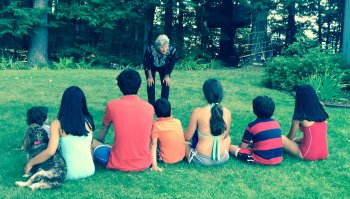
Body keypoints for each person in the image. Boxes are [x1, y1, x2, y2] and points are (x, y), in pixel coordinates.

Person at [24, 86, 96, 180]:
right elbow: (89, 147)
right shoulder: (89, 120)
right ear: (82, 102)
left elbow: (50, 151)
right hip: (89, 170)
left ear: (64, 103)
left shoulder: (57, 123)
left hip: (68, 173)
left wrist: (30, 163)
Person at [93, 69, 154, 172]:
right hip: (144, 162)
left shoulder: (112, 105)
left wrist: (100, 141)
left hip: (117, 163)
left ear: (120, 86)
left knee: (93, 143)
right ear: (139, 85)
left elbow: (104, 127)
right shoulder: (149, 107)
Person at [184, 79, 231, 166]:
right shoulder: (227, 112)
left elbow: (187, 137)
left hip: (200, 159)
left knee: (184, 144)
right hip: (222, 158)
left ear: (205, 95)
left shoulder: (197, 112)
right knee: (228, 139)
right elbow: (226, 136)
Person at [229, 96, 283, 165]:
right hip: (278, 158)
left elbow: (242, 147)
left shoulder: (252, 126)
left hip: (260, 159)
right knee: (255, 143)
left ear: (254, 110)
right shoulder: (276, 123)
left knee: (231, 147)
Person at [282, 84, 329, 160]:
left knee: (281, 138)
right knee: (297, 141)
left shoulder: (300, 115)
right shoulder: (322, 114)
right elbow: (315, 136)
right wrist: (295, 141)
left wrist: (288, 141)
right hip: (324, 154)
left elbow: (290, 137)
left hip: (308, 154)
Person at [150, 98, 186, 172]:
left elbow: (153, 145)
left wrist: (154, 165)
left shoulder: (156, 125)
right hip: (181, 156)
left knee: (149, 144)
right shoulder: (177, 122)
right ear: (171, 111)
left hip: (166, 159)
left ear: (156, 114)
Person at [143, 34, 176, 105]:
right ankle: (151, 105)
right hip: (151, 67)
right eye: (162, 47)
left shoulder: (172, 50)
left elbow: (172, 63)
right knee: (150, 83)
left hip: (165, 67)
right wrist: (149, 76)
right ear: (157, 46)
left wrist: (167, 75)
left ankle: (164, 105)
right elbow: (146, 63)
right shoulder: (150, 49)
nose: (164, 49)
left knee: (166, 83)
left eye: (166, 46)